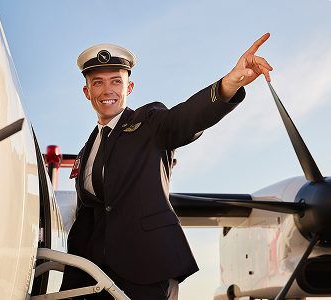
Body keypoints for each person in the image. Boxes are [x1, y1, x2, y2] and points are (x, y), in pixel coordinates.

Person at [61, 33, 273, 300]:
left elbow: (185, 119)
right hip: (94, 277)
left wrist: (227, 85)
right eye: (98, 83)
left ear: (129, 88)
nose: (108, 90)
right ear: (87, 91)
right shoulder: (86, 151)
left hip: (146, 268)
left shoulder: (148, 121)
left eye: (116, 81)